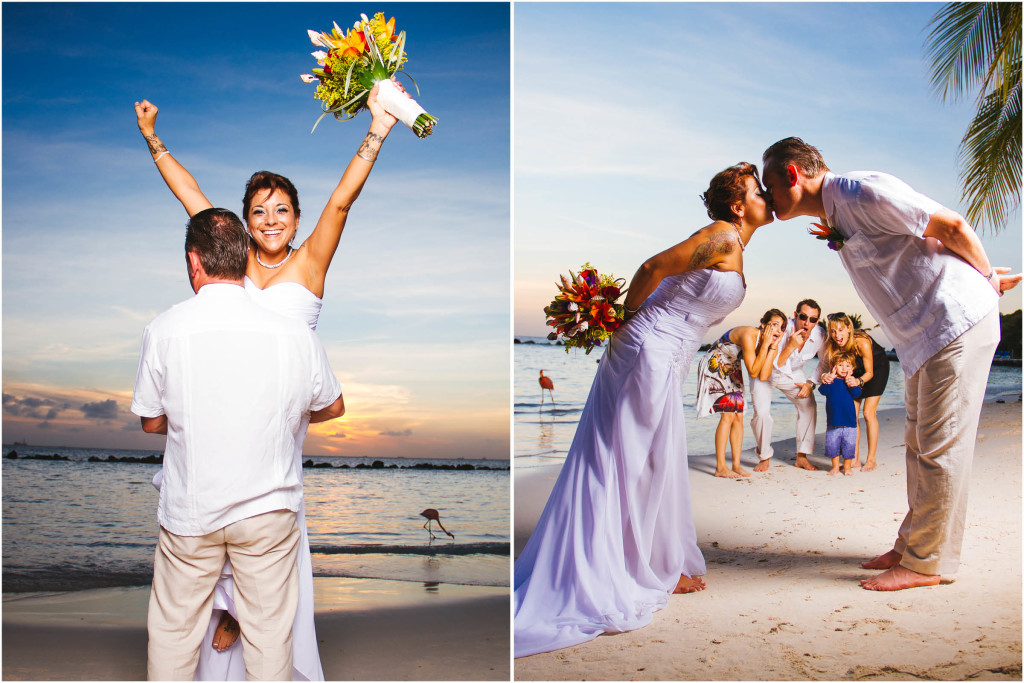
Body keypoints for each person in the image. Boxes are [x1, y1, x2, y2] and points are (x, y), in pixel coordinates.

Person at [134, 82, 407, 679]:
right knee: (236, 522)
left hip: (280, 433)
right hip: (224, 428)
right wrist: (154, 141)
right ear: (244, 224)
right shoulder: (234, 267)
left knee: (257, 536)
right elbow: (195, 200)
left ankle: (236, 615)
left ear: (296, 218)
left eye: (281, 208)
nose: (270, 218)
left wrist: (377, 132)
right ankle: (230, 614)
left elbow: (341, 202)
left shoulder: (311, 263)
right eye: (258, 210)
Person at [514, 162, 774, 657]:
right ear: (738, 205)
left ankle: (653, 562)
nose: (766, 196)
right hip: (648, 347)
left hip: (667, 353)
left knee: (653, 458)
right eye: (758, 189)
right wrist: (626, 320)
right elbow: (654, 269)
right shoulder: (721, 235)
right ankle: (618, 570)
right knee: (628, 459)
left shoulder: (733, 244)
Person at [761, 136, 1021, 591]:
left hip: (953, 324)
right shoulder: (835, 212)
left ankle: (926, 563)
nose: (767, 196)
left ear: (791, 174)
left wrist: (985, 282)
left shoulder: (861, 191)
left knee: (940, 451)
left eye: (769, 184)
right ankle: (910, 545)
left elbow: (951, 226)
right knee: (920, 447)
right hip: (922, 338)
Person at [131, 209, 345, 679]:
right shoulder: (293, 334)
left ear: (194, 261)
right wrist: (277, 417)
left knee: (173, 633)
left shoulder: (164, 328)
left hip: (191, 511)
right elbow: (333, 406)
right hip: (269, 511)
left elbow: (151, 422)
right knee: (270, 639)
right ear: (244, 255)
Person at [695, 308, 787, 478]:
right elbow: (753, 371)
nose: (777, 330)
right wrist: (767, 345)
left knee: (738, 415)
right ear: (763, 325)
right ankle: (721, 467)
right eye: (773, 325)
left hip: (732, 365)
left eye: (781, 328)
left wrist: (772, 347)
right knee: (728, 416)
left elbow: (764, 375)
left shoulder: (767, 343)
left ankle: (736, 465)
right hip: (716, 361)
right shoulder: (749, 335)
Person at [749, 299, 826, 472]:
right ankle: (764, 456)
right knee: (761, 414)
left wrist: (811, 383)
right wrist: (791, 346)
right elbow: (774, 363)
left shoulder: (820, 335)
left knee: (809, 405)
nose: (807, 323)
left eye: (812, 319)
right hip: (764, 372)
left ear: (817, 321)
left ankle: (802, 456)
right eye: (803, 317)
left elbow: (825, 361)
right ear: (795, 315)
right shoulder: (782, 328)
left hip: (792, 374)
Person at [817, 313, 890, 470]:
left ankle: (871, 459)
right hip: (853, 372)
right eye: (833, 331)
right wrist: (825, 377)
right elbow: (828, 370)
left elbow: (869, 372)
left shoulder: (861, 342)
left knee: (869, 413)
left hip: (875, 370)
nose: (837, 335)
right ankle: (854, 458)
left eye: (841, 330)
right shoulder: (833, 345)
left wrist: (858, 381)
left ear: (849, 328)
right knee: (852, 414)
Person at [818, 352, 863, 476]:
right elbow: (822, 391)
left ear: (853, 368)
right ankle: (835, 467)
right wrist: (830, 377)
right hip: (834, 421)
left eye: (848, 366)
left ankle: (847, 467)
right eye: (840, 365)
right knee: (833, 446)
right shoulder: (831, 382)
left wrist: (851, 382)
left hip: (849, 422)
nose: (844, 368)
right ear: (834, 367)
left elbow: (857, 394)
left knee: (849, 447)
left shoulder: (851, 382)